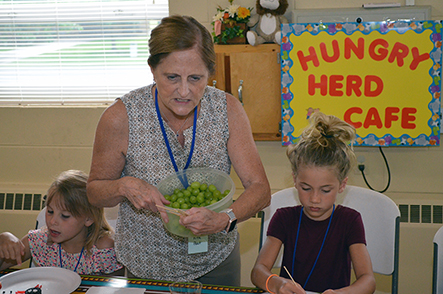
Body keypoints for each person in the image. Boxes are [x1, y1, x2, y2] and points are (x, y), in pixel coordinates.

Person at [86, 15, 271, 285]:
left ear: (210, 73)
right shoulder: (121, 117)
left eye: (196, 78)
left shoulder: (227, 110)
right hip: (146, 265)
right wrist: (123, 185)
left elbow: (260, 189)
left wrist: (224, 219)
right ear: (152, 69)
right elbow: (94, 191)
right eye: (171, 77)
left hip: (216, 261)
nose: (184, 91)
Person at [251, 112, 376, 294]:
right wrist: (278, 284)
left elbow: (368, 280)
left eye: (325, 190)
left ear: (342, 185)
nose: (315, 199)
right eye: (306, 188)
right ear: (294, 180)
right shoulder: (284, 218)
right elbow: (257, 272)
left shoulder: (350, 220)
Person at [0, 170, 124, 276]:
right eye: (50, 211)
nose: (52, 221)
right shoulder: (39, 241)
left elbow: (120, 288)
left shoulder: (103, 250)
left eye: (65, 216)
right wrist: (4, 240)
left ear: (88, 219)